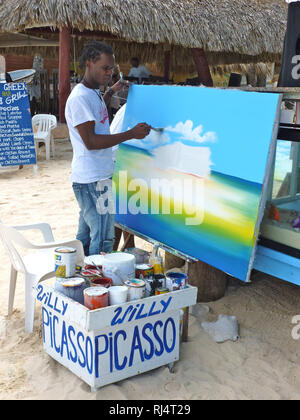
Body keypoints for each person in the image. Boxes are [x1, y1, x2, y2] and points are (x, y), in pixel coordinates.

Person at [65, 41, 151, 256]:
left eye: (112, 68)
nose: (110, 73)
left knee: (86, 237)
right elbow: (91, 142)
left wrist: (112, 91)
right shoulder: (80, 98)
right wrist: (131, 134)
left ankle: (80, 277)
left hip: (94, 177)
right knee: (103, 240)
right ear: (89, 64)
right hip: (93, 180)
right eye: (105, 68)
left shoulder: (92, 92)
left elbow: (98, 109)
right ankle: (95, 286)